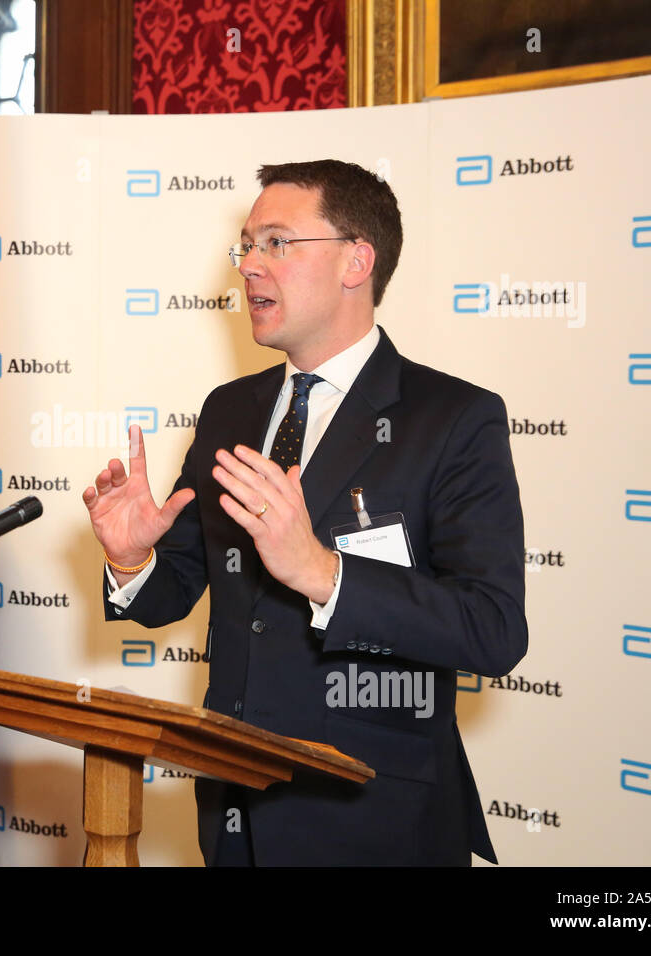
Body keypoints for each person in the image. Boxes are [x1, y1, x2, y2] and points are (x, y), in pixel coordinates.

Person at [83, 160, 527, 866]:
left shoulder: (453, 419)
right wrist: (134, 560)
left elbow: (493, 630)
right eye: (246, 246)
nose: (249, 266)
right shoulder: (230, 409)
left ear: (357, 260)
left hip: (374, 817)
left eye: (277, 244)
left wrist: (325, 573)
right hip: (234, 812)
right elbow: (182, 588)